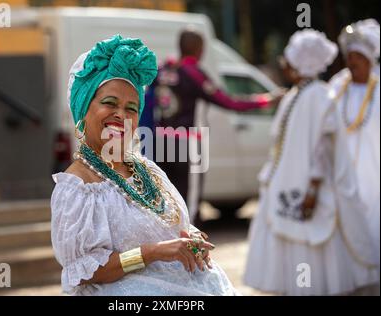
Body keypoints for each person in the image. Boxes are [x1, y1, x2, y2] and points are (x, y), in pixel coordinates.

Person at [50, 35, 240, 296]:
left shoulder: (148, 170)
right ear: (83, 109)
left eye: (132, 108)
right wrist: (154, 253)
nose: (121, 115)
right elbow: (86, 270)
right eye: (109, 103)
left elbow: (173, 225)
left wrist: (191, 239)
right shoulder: (78, 187)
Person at [244, 29, 379, 296]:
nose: (285, 64)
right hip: (287, 184)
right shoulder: (297, 94)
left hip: (309, 190)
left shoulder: (319, 95)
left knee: (312, 240)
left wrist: (314, 187)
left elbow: (322, 145)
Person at [146, 29, 279, 225]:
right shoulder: (194, 73)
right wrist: (265, 100)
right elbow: (228, 102)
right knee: (187, 204)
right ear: (200, 49)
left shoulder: (165, 70)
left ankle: (165, 247)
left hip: (161, 141)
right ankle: (186, 248)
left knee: (165, 199)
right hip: (186, 143)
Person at [329, 19, 380, 293]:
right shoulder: (338, 85)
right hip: (344, 170)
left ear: (370, 58)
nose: (352, 62)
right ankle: (355, 274)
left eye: (358, 57)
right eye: (349, 57)